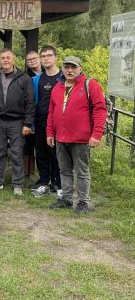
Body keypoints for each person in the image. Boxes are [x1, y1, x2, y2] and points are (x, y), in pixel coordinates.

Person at [47, 56, 107, 213]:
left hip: (81, 138)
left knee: (81, 171)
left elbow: (100, 110)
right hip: (61, 137)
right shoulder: (57, 87)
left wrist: (97, 134)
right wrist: (50, 132)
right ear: (63, 69)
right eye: (66, 67)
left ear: (80, 69)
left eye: (73, 67)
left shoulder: (90, 85)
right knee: (64, 171)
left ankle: (83, 202)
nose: (69, 70)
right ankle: (66, 199)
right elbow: (51, 112)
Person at [0, 50, 35, 195]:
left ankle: (17, 184)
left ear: (13, 59)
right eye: (3, 58)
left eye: (8, 57)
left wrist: (27, 123)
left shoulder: (24, 78)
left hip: (17, 121)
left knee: (17, 153)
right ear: (0, 60)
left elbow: (30, 102)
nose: (5, 60)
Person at [31, 46, 63, 198]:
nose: (46, 58)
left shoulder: (64, 77)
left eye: (49, 55)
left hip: (59, 124)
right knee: (41, 154)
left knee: (57, 155)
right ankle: (44, 182)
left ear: (56, 57)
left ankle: (58, 184)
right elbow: (33, 101)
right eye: (43, 56)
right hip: (40, 122)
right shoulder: (37, 79)